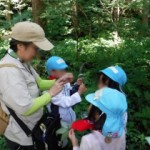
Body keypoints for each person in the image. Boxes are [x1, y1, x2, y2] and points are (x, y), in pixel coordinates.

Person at [0, 21, 73, 150]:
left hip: (34, 126)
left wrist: (60, 80)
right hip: (22, 135)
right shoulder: (9, 71)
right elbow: (25, 107)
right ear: (21, 46)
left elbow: (38, 83)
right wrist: (51, 94)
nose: (37, 52)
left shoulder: (22, 61)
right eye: (35, 48)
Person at [69, 66, 128, 150]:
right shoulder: (120, 105)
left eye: (99, 82)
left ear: (107, 81)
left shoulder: (88, 140)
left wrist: (75, 145)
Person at [46, 56, 87, 125]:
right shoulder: (51, 88)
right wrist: (79, 93)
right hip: (60, 122)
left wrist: (76, 85)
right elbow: (65, 102)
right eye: (61, 70)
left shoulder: (63, 81)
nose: (64, 72)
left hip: (69, 117)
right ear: (52, 72)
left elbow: (69, 92)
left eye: (65, 69)